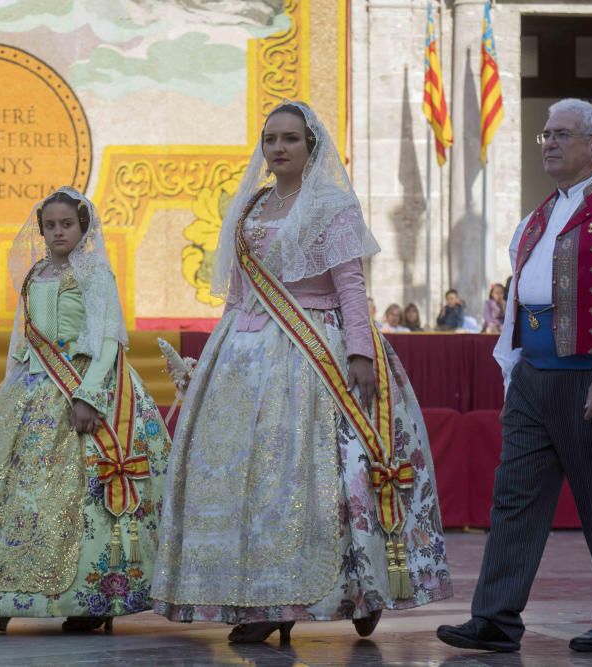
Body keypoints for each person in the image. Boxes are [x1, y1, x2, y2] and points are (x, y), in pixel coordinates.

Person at [152, 101, 451, 643]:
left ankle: (358, 586)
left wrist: (360, 352)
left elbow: (351, 285)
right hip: (243, 359)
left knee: (323, 475)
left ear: (311, 147)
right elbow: (239, 292)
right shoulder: (250, 207)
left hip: (315, 351)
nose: (279, 148)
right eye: (271, 139)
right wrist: (216, 359)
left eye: (291, 138)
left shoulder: (332, 206)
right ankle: (258, 596)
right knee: (249, 479)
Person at [437, 99, 592, 653]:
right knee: (514, 497)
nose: (550, 143)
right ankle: (495, 618)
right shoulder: (535, 217)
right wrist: (511, 366)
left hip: (591, 376)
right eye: (545, 135)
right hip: (534, 376)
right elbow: (517, 296)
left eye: (562, 134)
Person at [0, 188, 170, 633]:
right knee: (13, 491)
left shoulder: (96, 273)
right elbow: (20, 343)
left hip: (86, 386)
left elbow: (107, 340)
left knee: (80, 495)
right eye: (50, 226)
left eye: (67, 225)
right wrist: (3, 398)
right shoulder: (35, 274)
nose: (58, 232)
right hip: (34, 387)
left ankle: (90, 597)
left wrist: (89, 396)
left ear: (83, 228)